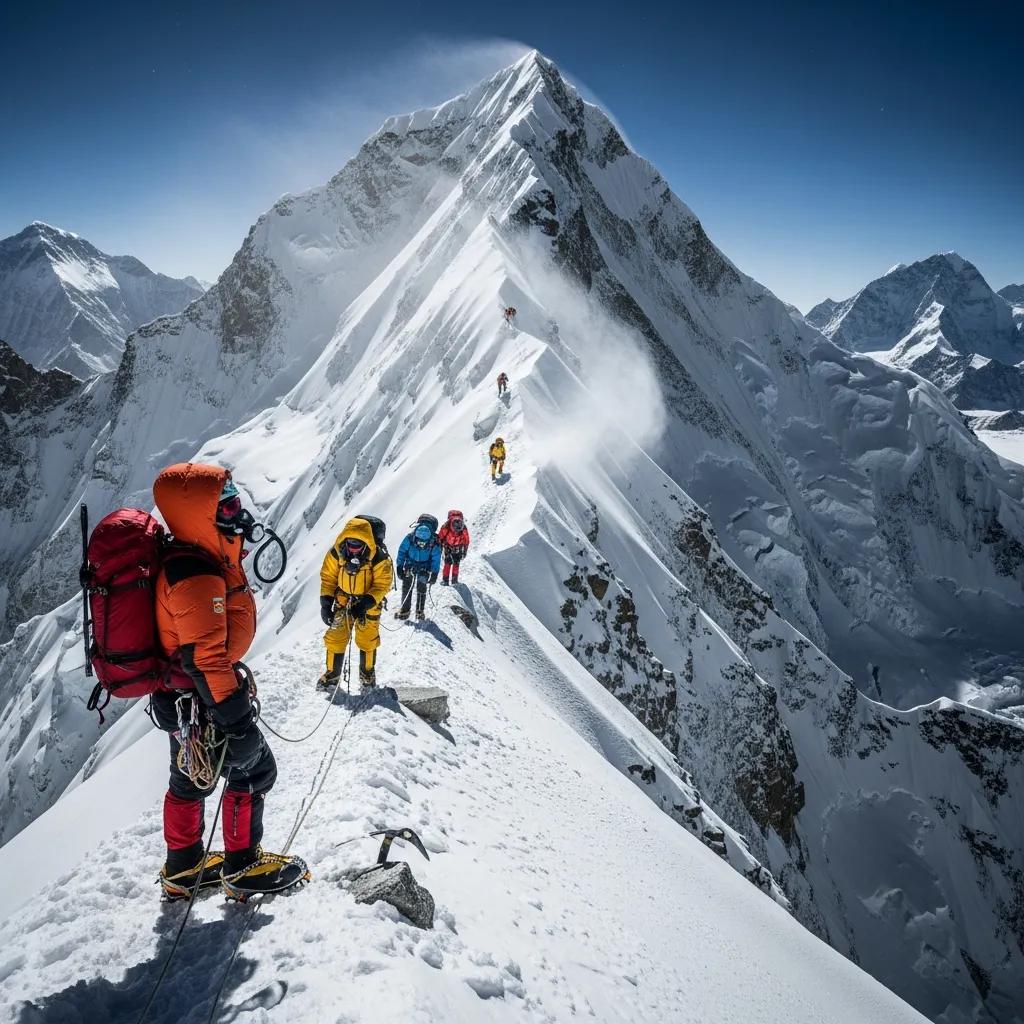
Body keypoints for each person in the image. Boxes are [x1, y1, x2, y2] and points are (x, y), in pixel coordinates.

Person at [151, 463, 286, 900]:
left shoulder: (192, 558)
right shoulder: (195, 574)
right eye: (225, 505)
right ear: (198, 515)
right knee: (252, 769)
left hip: (182, 701)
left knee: (189, 776)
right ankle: (242, 868)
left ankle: (183, 868)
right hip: (205, 698)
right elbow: (206, 658)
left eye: (234, 501)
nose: (237, 512)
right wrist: (238, 724)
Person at [319, 516, 394, 689]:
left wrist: (365, 603)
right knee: (335, 638)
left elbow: (382, 583)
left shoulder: (378, 558)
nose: (353, 549)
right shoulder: (337, 553)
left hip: (368, 604)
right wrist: (325, 603)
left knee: (368, 639)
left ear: (366, 542)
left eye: (357, 545)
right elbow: (328, 577)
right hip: (343, 601)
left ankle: (367, 673)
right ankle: (332, 674)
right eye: (350, 544)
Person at [395, 515, 441, 620]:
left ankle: (406, 611)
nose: (421, 544)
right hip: (420, 566)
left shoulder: (410, 538)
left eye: (423, 542)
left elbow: (402, 552)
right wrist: (399, 566)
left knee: (409, 588)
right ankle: (419, 612)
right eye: (420, 541)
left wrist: (400, 566)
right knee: (420, 588)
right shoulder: (433, 542)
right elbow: (435, 558)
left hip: (414, 565)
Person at [438, 510, 470, 586]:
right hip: (458, 547)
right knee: (456, 563)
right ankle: (454, 580)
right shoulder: (463, 527)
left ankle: (445, 581)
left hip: (447, 546)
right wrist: (465, 550)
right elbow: (467, 540)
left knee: (447, 563)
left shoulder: (446, 525)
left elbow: (440, 536)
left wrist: (440, 546)